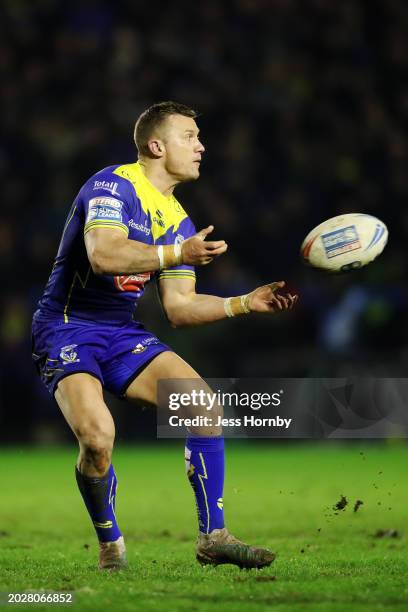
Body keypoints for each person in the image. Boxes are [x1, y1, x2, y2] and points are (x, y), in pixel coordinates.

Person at [31, 101, 298, 571]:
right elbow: (104, 256)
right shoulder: (112, 185)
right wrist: (179, 252)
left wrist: (243, 303)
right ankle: (110, 542)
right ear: (157, 145)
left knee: (202, 405)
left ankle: (213, 536)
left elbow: (179, 308)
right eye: (190, 136)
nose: (201, 146)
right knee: (97, 440)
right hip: (66, 327)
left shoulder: (178, 220)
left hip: (119, 333)